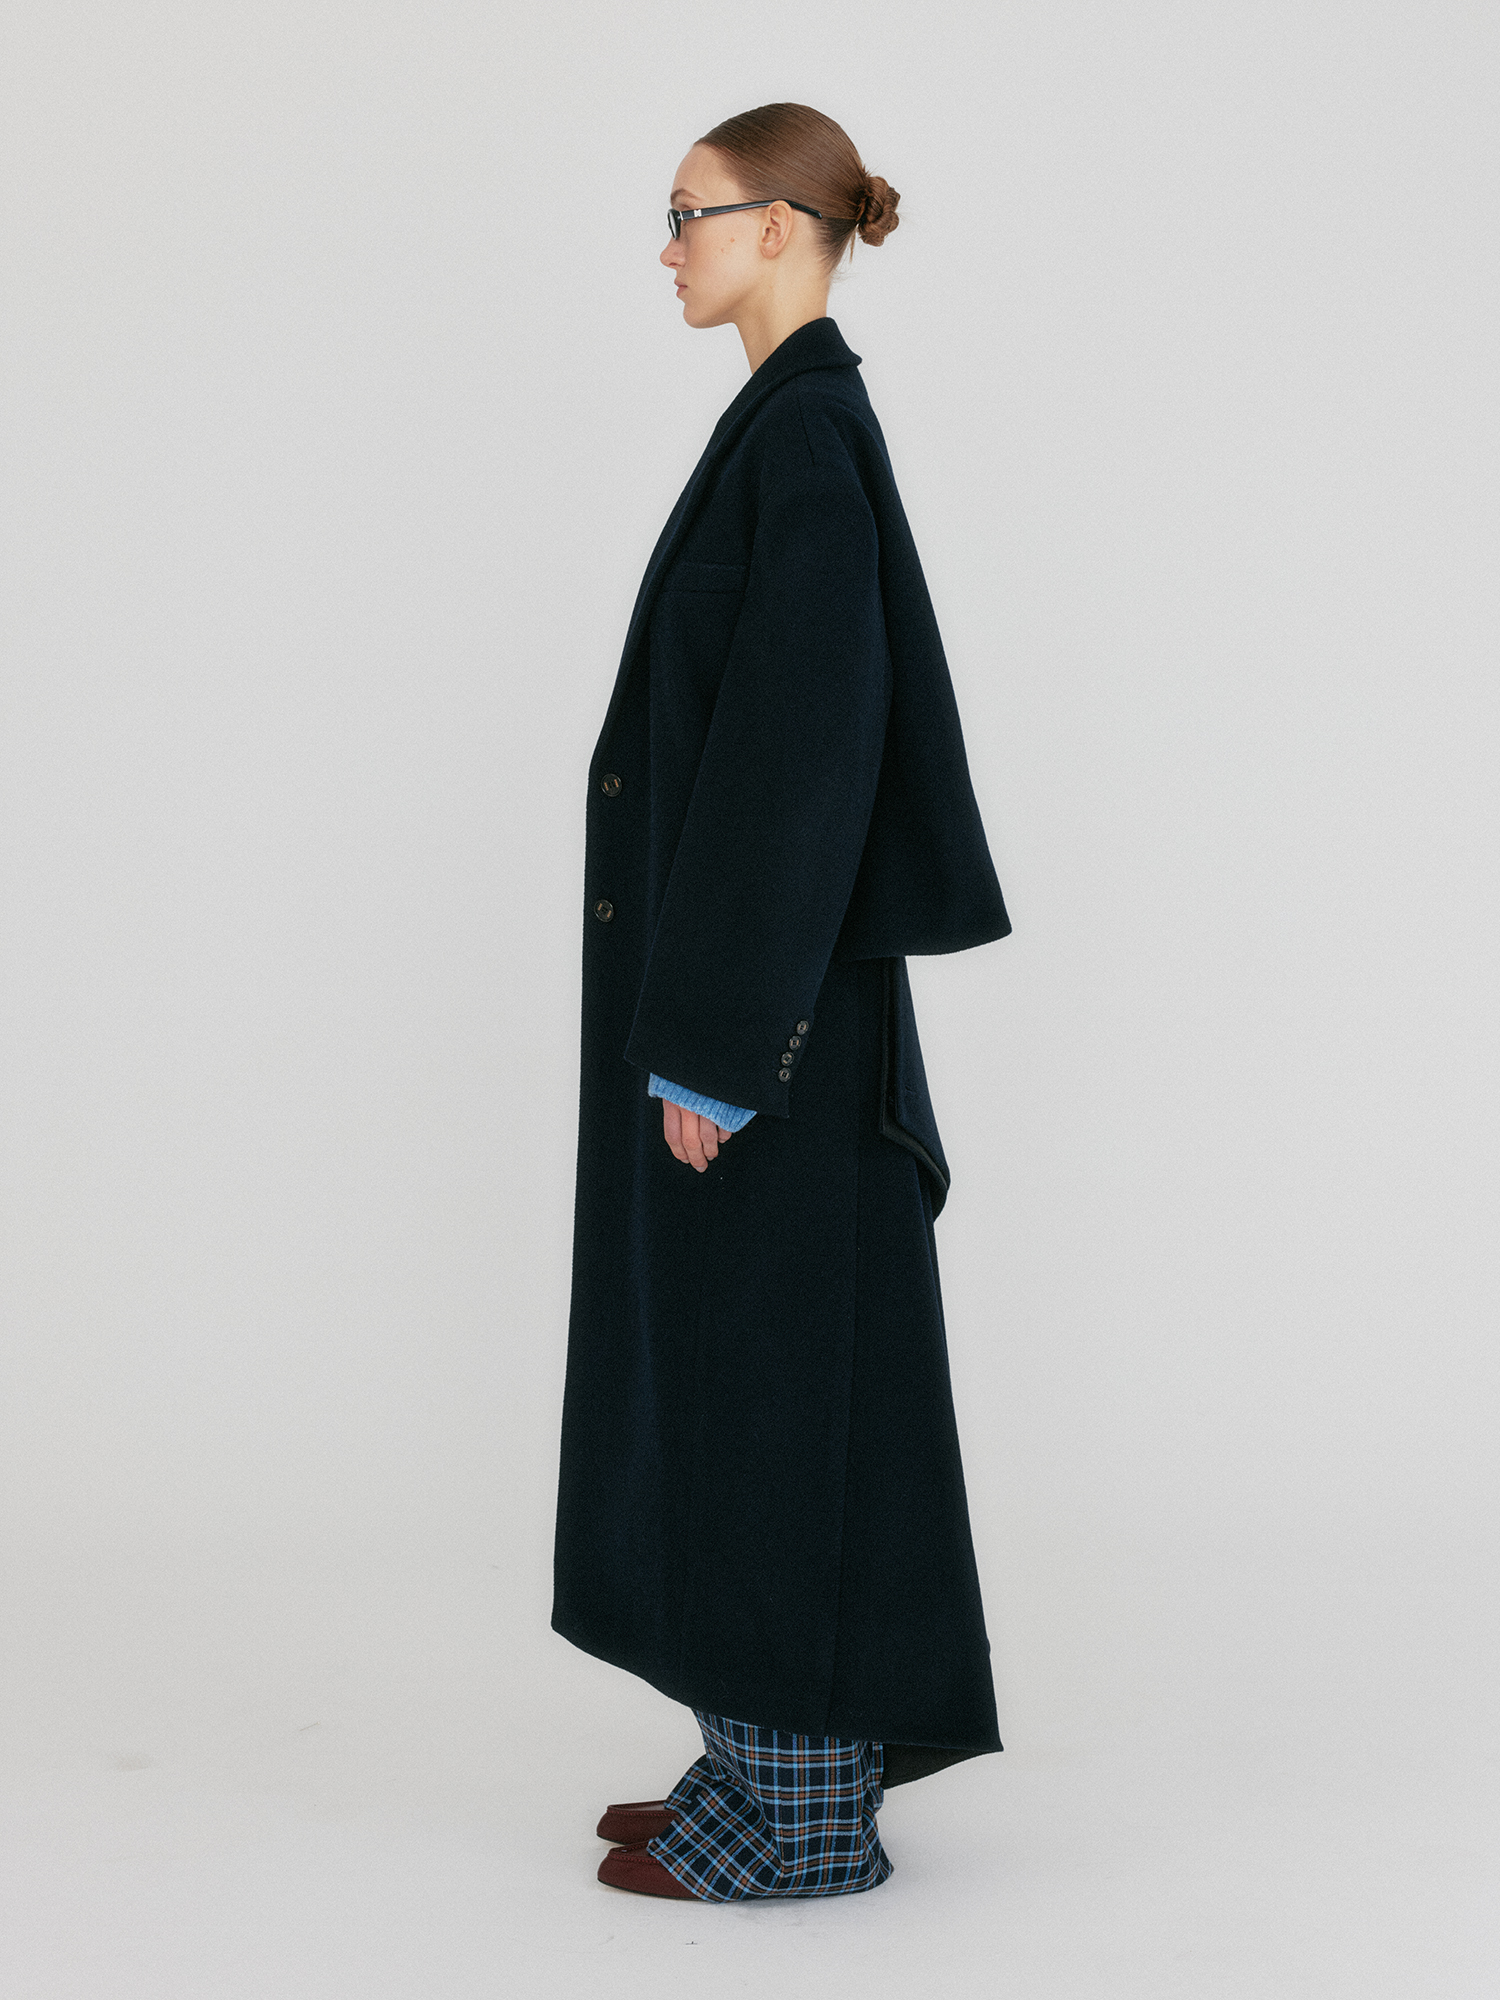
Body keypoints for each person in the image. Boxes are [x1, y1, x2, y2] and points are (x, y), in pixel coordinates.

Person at [551, 102, 1012, 1902]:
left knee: (771, 1401)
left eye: (688, 213)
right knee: (735, 1382)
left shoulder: (807, 435)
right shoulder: (789, 423)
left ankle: (801, 1819)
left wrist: (722, 1048)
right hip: (765, 1022)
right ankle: (757, 1754)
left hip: (776, 1039)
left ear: (777, 226)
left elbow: (801, 766)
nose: (665, 246)